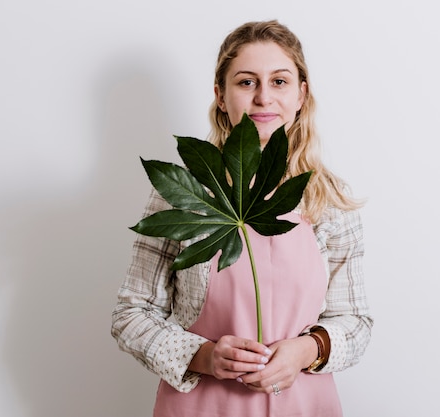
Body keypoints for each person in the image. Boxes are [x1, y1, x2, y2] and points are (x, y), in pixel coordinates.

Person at [111, 20, 373, 417]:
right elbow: (131, 313)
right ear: (221, 95)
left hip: (302, 405)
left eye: (280, 82)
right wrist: (204, 356)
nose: (263, 97)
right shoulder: (186, 195)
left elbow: (355, 320)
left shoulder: (327, 200)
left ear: (302, 93)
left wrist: (306, 350)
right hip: (201, 405)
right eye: (246, 82)